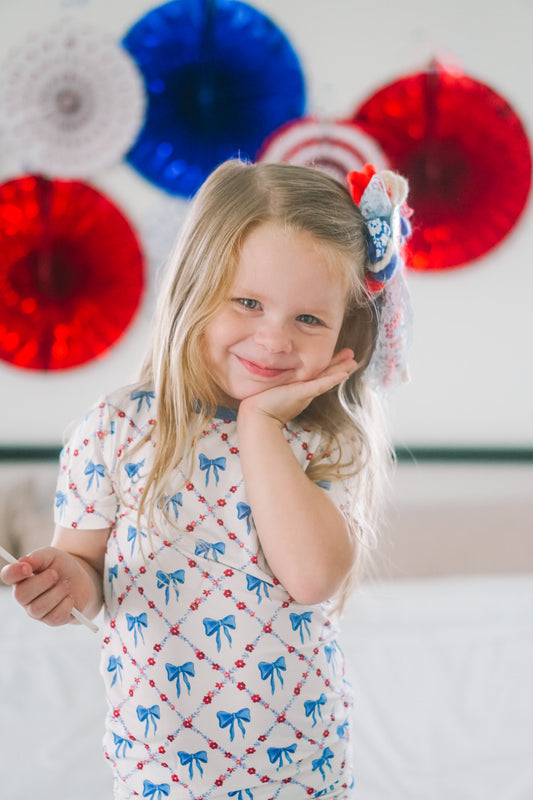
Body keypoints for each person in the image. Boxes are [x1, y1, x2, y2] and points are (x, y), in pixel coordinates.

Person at [1, 159, 412, 799]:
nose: (274, 340)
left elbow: (311, 577)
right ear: (195, 288)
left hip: (302, 769)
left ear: (344, 332)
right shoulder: (117, 429)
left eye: (308, 319)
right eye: (248, 303)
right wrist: (62, 582)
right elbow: (85, 569)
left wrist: (259, 425)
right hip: (160, 768)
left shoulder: (325, 443)